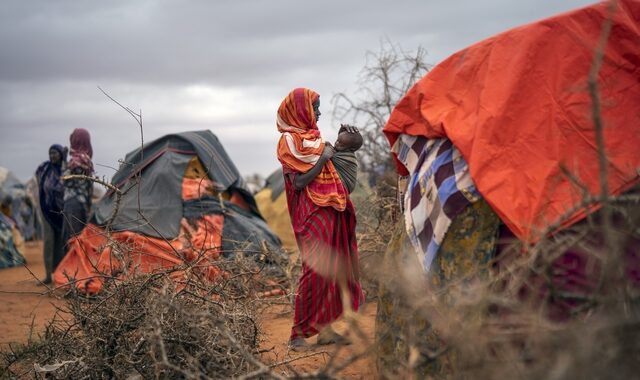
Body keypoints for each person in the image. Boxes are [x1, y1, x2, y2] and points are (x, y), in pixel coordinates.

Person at [276, 88, 364, 350]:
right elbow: (300, 182)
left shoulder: (316, 139)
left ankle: (325, 330)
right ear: (301, 110)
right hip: (311, 214)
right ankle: (297, 334)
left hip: (331, 211)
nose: (319, 113)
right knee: (314, 271)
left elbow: (338, 170)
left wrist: (346, 141)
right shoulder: (289, 142)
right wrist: (322, 159)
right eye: (315, 108)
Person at [59, 128, 93, 270]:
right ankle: (79, 275)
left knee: (71, 240)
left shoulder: (73, 161)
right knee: (79, 239)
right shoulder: (87, 161)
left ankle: (73, 277)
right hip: (82, 205)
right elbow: (89, 189)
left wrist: (63, 161)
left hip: (71, 206)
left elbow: (64, 180)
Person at [35, 144, 66, 284]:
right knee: (48, 241)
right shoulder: (44, 168)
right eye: (50, 153)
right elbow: (40, 183)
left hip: (61, 213)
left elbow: (65, 186)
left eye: (55, 153)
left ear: (60, 154)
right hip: (46, 210)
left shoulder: (65, 169)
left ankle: (59, 274)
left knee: (60, 243)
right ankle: (48, 275)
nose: (52, 156)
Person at [331, 124, 363, 194]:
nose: (336, 144)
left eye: (340, 144)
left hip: (345, 186)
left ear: (351, 149)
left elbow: (328, 155)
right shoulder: (342, 150)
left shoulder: (346, 158)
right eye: (337, 140)